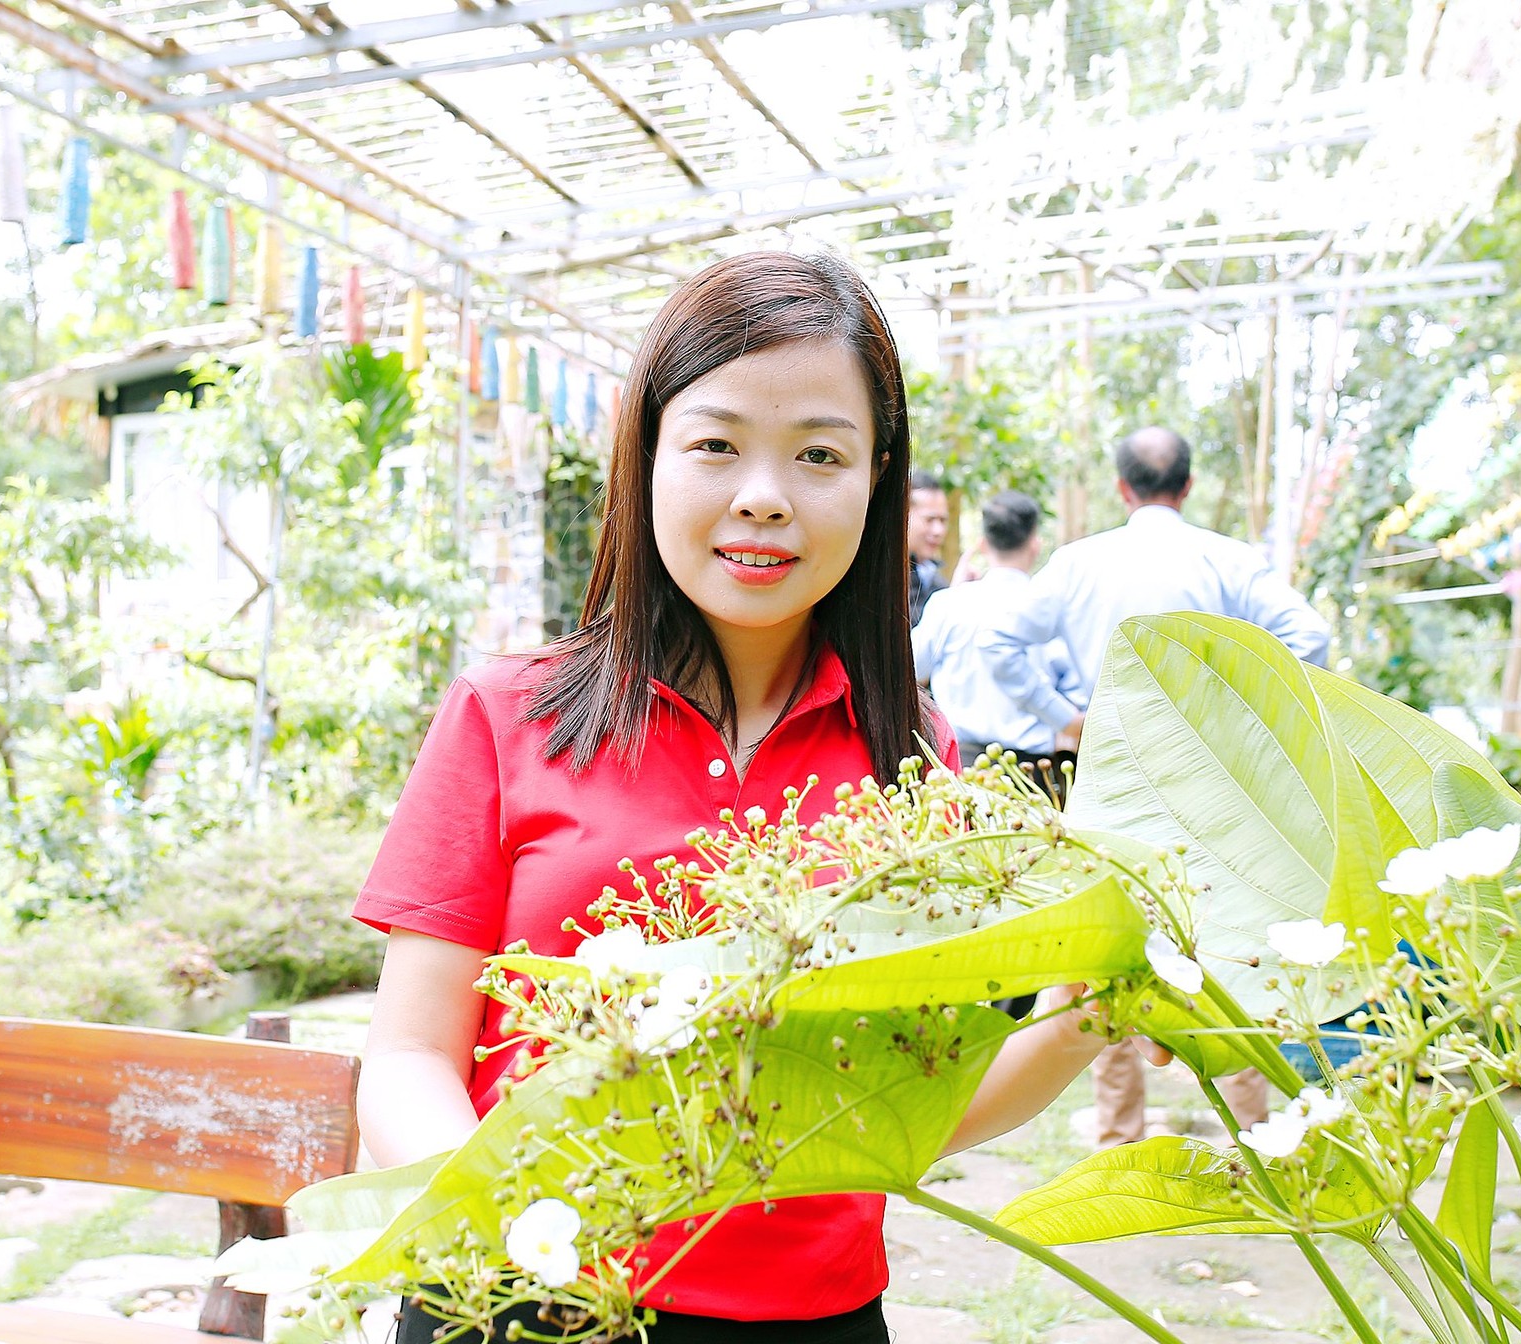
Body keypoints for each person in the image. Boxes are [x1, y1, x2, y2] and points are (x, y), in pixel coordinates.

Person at [353, 252, 1112, 1344]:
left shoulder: (917, 761)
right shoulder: (505, 715)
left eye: (819, 454)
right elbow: (410, 1055)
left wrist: (1091, 1019)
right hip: (517, 1301)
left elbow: (908, 1110)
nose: (764, 495)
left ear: (877, 481)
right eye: (717, 445)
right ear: (648, 454)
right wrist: (504, 1228)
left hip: (811, 1322)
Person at [977, 425, 1331, 1148]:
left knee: (1116, 941)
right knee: (1230, 935)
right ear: (1188, 485)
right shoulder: (1228, 559)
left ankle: (1119, 1132)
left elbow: (998, 640)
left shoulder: (1079, 563)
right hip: (1216, 776)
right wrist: (1242, 713)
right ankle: (1252, 1133)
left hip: (1115, 776)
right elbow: (1311, 637)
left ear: (1122, 488)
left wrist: (1064, 718)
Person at [913, 490, 1083, 775]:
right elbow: (1075, 686)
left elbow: (913, 668)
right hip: (1035, 771)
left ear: (982, 544)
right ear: (1035, 544)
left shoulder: (948, 604)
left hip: (960, 768)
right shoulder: (1051, 611)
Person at [905, 470, 949, 625]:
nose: (938, 531)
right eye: (930, 520)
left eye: (942, 521)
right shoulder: (882, 573)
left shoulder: (935, 578)